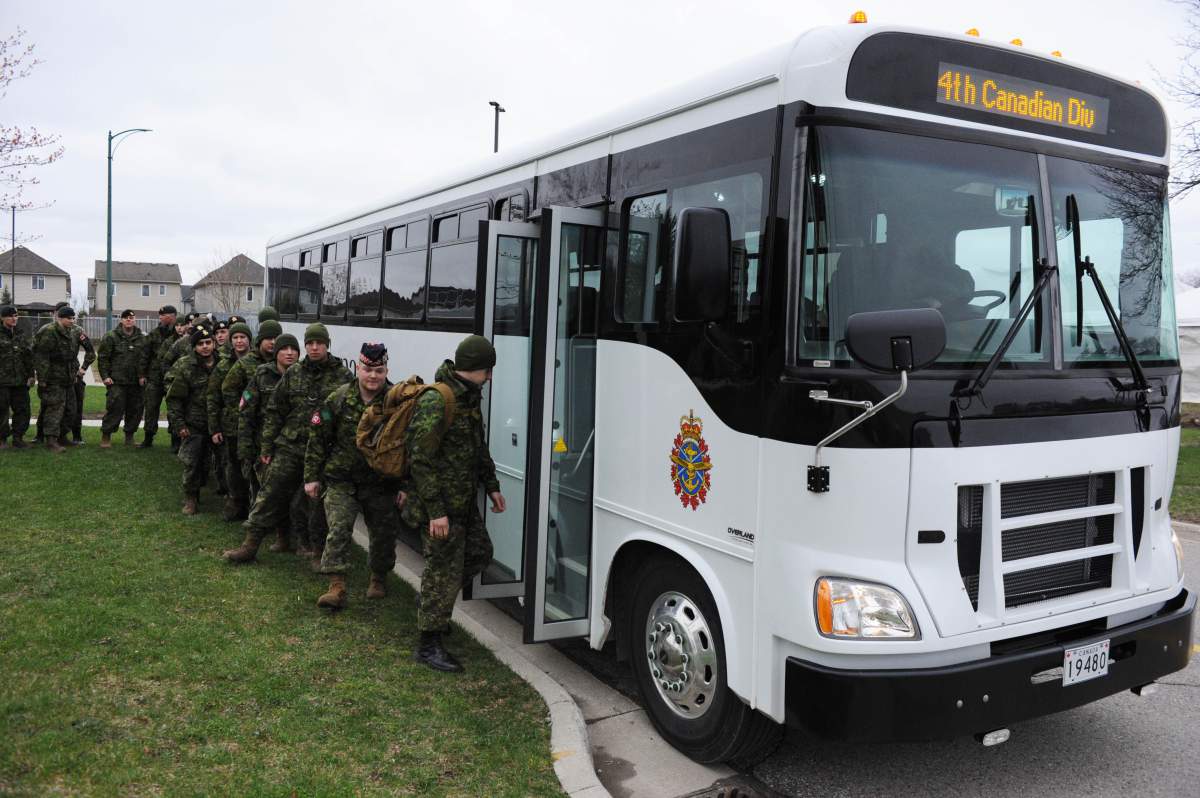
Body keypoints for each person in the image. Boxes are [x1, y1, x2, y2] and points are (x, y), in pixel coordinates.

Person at [404, 334, 505, 672]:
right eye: (487, 371)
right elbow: (419, 458)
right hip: (440, 508)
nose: (490, 378)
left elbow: (478, 446)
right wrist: (436, 512)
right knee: (442, 570)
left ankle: (432, 601)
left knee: (479, 553)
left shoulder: (470, 397)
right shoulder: (439, 399)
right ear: (472, 368)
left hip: (461, 503)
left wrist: (491, 486)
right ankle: (428, 644)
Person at [224, 323, 351, 564]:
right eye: (310, 343)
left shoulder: (342, 376)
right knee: (269, 495)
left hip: (323, 452)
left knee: (316, 504)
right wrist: (267, 447)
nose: (314, 347)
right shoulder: (294, 373)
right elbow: (274, 412)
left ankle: (316, 550)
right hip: (290, 447)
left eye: (319, 343)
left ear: (327, 345)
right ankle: (250, 545)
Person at [305, 343, 400, 609]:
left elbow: (407, 445)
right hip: (341, 478)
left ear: (386, 371)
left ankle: (378, 578)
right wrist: (311, 477)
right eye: (368, 370)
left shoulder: (396, 402)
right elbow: (318, 439)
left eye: (379, 371)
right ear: (358, 368)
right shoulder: (338, 398)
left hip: (380, 481)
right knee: (338, 528)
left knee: (383, 533)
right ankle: (337, 585)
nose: (373, 376)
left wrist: (406, 486)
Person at [214, 319, 279, 521]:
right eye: (268, 338)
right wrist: (244, 412)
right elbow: (228, 391)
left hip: (269, 429)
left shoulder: (282, 363)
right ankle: (237, 503)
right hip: (241, 425)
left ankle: (262, 511)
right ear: (259, 340)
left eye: (276, 338)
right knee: (237, 466)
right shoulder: (245, 363)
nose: (273, 342)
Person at [237, 331, 295, 514]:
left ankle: (283, 534)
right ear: (276, 352)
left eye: (294, 349)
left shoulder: (302, 376)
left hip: (290, 446)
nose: (289, 353)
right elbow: (246, 413)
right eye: (284, 349)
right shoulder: (262, 374)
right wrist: (245, 448)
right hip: (262, 443)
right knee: (261, 491)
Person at [165, 324, 218, 515]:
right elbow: (175, 398)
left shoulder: (223, 364)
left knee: (214, 463)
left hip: (218, 424)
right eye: (201, 344)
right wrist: (179, 424)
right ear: (194, 347)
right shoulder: (185, 365)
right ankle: (191, 498)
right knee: (192, 462)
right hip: (194, 423)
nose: (205, 347)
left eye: (208, 342)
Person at [33, 301, 94, 446]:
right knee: (53, 408)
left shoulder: (77, 331)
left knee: (71, 409)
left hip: (71, 377)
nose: (72, 321)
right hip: (53, 378)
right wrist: (42, 378)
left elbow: (91, 351)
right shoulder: (48, 330)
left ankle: (63, 436)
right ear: (59, 316)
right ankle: (49, 439)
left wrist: (82, 369)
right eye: (69, 318)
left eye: (73, 318)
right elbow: (40, 355)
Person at [96, 309, 147, 447]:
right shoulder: (111, 336)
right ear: (121, 320)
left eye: (131, 317)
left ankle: (129, 436)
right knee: (114, 409)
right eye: (125, 318)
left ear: (135, 319)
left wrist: (143, 375)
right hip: (117, 381)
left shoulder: (142, 338)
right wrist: (105, 377)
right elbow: (103, 359)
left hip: (136, 382)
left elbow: (145, 358)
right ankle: (106, 436)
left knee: (135, 410)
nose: (128, 320)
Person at [140, 305, 179, 448]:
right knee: (151, 408)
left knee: (174, 410)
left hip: (174, 378)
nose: (161, 318)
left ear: (172, 316)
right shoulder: (154, 333)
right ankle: (148, 438)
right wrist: (142, 374)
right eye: (160, 315)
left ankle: (175, 441)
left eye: (163, 315)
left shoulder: (179, 334)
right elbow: (145, 355)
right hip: (155, 378)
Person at [0, 305, 34, 449]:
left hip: (20, 381)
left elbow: (28, 357)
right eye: (10, 316)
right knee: (1, 411)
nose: (14, 319)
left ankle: (18, 438)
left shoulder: (21, 334)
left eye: (16, 316)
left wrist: (31, 375)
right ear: (2, 318)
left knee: (23, 410)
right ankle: (2, 440)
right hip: (2, 381)